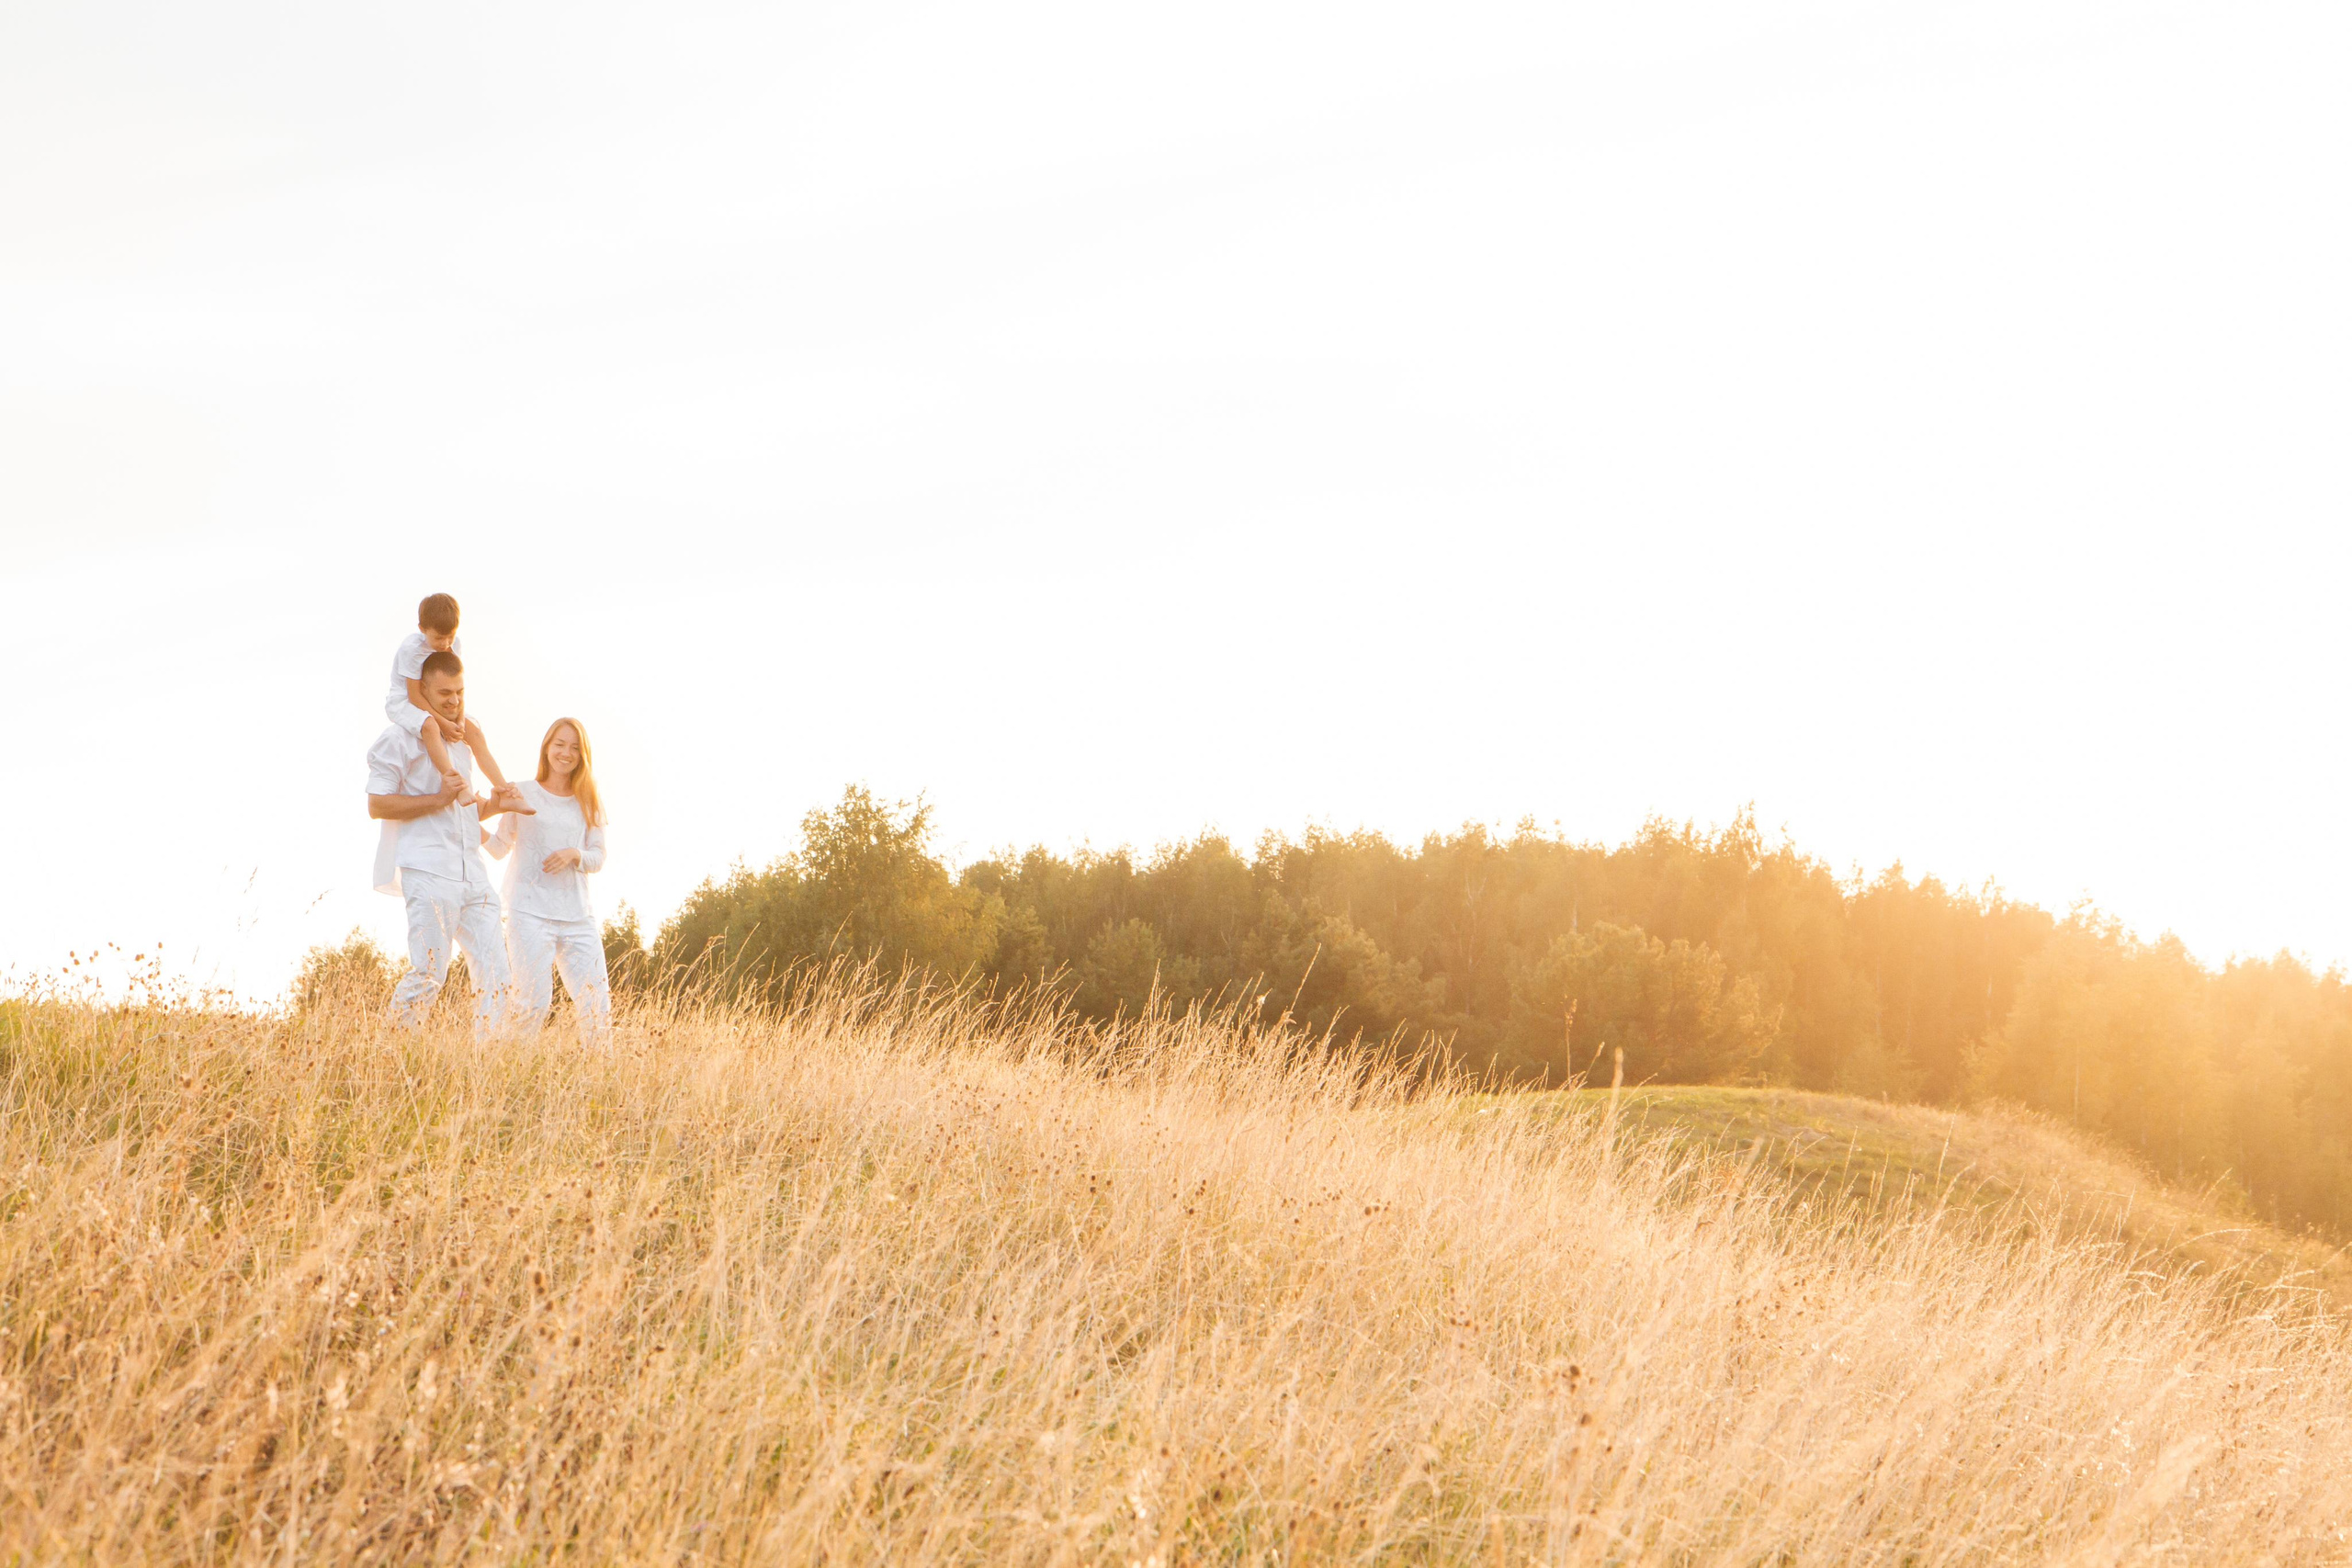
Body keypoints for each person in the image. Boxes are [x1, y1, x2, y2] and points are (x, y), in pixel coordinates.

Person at [367, 649, 533, 1037]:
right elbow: (377, 804)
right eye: (444, 693)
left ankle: (486, 1064)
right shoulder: (398, 738)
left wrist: (493, 805)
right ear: (421, 692)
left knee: (497, 973)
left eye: (459, 691)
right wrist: (438, 798)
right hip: (427, 871)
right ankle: (392, 1054)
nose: (454, 701)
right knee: (429, 973)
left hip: (472, 873)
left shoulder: (462, 739)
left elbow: (463, 815)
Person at [488, 717, 614, 1042]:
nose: (566, 752)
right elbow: (499, 848)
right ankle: (508, 1076)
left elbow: (598, 858)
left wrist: (575, 854)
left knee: (597, 1006)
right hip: (528, 912)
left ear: (582, 755)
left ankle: (603, 1084)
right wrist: (467, 819)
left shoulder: (590, 801)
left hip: (577, 916)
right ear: (547, 747)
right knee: (533, 1004)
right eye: (559, 744)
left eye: (574, 747)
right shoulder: (522, 792)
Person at [387, 592, 512, 807]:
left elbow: (455, 684)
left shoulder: (455, 645)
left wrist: (460, 720)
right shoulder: (412, 649)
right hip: (405, 701)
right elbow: (414, 696)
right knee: (430, 726)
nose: (445, 643)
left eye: (450, 636)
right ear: (422, 630)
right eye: (438, 638)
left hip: (436, 699)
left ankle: (505, 790)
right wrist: (444, 723)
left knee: (473, 730)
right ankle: (458, 786)